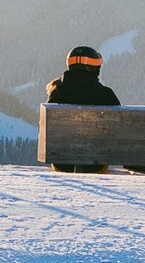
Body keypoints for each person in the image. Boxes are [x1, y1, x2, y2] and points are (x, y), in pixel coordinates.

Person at [45, 45, 120, 173]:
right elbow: (118, 128)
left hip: (61, 162)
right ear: (96, 68)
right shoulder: (105, 94)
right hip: (96, 163)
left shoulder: (56, 92)